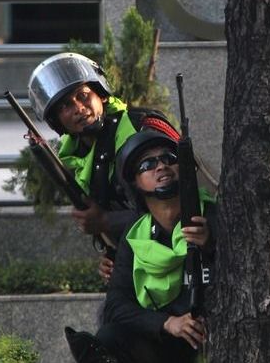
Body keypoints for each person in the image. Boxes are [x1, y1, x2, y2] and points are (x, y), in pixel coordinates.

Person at [65, 121, 215, 363]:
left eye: (169, 157)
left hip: (216, 339)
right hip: (166, 342)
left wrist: (211, 243)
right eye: (147, 164)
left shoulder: (214, 216)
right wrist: (167, 323)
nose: (161, 166)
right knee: (109, 336)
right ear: (134, 182)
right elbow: (116, 303)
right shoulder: (137, 234)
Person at [28, 52, 170, 264]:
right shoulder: (78, 157)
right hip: (139, 265)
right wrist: (114, 258)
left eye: (83, 95)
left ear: (101, 94)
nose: (78, 108)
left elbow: (175, 208)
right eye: (65, 106)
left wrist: (105, 221)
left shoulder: (142, 128)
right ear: (57, 121)